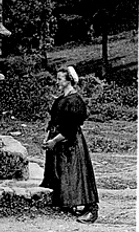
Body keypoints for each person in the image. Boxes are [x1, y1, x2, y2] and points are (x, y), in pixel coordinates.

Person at [41, 66, 99, 224]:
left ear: (69, 81)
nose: (57, 81)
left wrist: (54, 140)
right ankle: (67, 204)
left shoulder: (75, 101)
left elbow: (71, 128)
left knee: (78, 174)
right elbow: (54, 121)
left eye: (60, 79)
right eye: (57, 78)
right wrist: (48, 139)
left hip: (70, 142)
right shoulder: (61, 99)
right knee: (61, 174)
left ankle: (91, 210)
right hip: (58, 142)